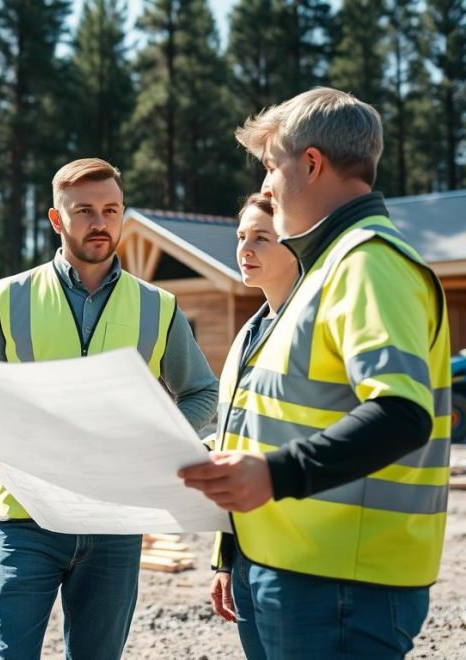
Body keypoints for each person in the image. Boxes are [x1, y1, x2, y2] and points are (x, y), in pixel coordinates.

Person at [180, 87, 452, 659]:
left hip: (340, 583)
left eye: (271, 167)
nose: (267, 187)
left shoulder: (368, 262)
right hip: (289, 566)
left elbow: (402, 413)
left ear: (310, 164)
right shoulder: (322, 272)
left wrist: (276, 475)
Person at [0, 157, 218, 660]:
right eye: (85, 210)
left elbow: (203, 393)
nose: (100, 222)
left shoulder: (158, 306)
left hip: (117, 521)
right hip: (26, 518)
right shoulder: (7, 299)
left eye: (111, 210)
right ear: (56, 218)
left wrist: (160, 435)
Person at [208, 194, 298, 624]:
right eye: (242, 236)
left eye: (261, 238)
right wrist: (225, 560)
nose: (244, 250)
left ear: (296, 242)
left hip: (297, 554)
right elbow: (233, 439)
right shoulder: (248, 334)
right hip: (245, 549)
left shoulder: (311, 328)